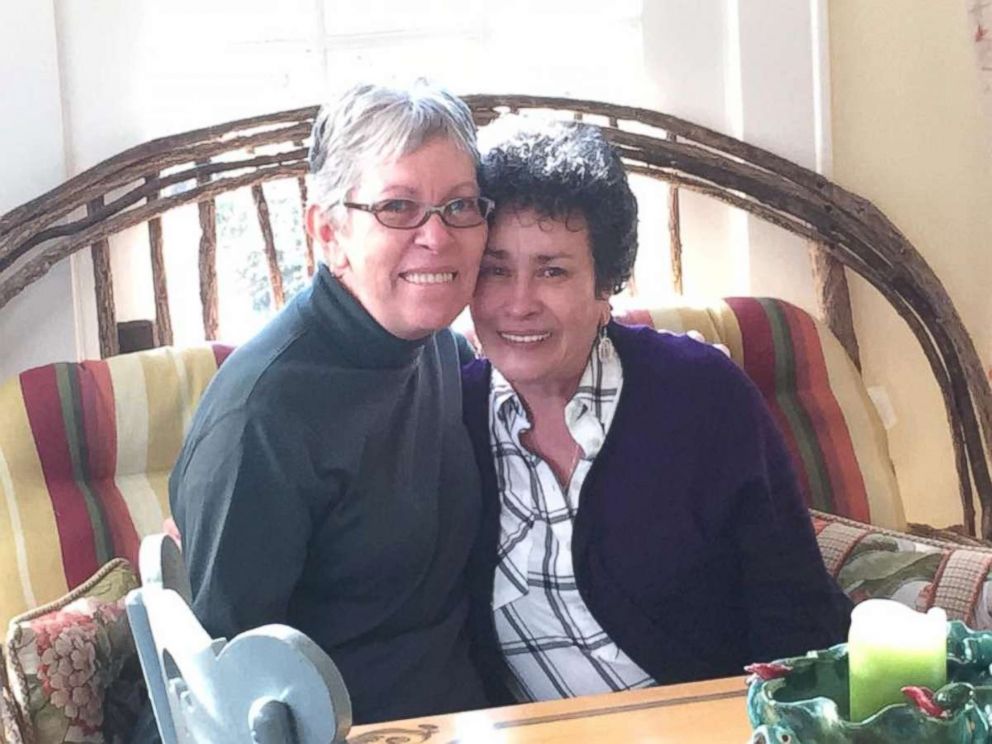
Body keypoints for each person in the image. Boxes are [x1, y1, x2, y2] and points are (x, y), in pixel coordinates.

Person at [461, 118, 853, 703]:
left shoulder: (701, 395)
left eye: (553, 270)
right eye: (495, 269)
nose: (518, 304)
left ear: (605, 286)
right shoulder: (445, 417)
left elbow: (792, 609)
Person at [167, 81, 495, 725]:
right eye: (399, 206)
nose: (438, 235)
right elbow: (220, 693)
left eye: (460, 206)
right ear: (328, 231)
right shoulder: (261, 420)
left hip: (471, 719)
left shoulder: (437, 351)